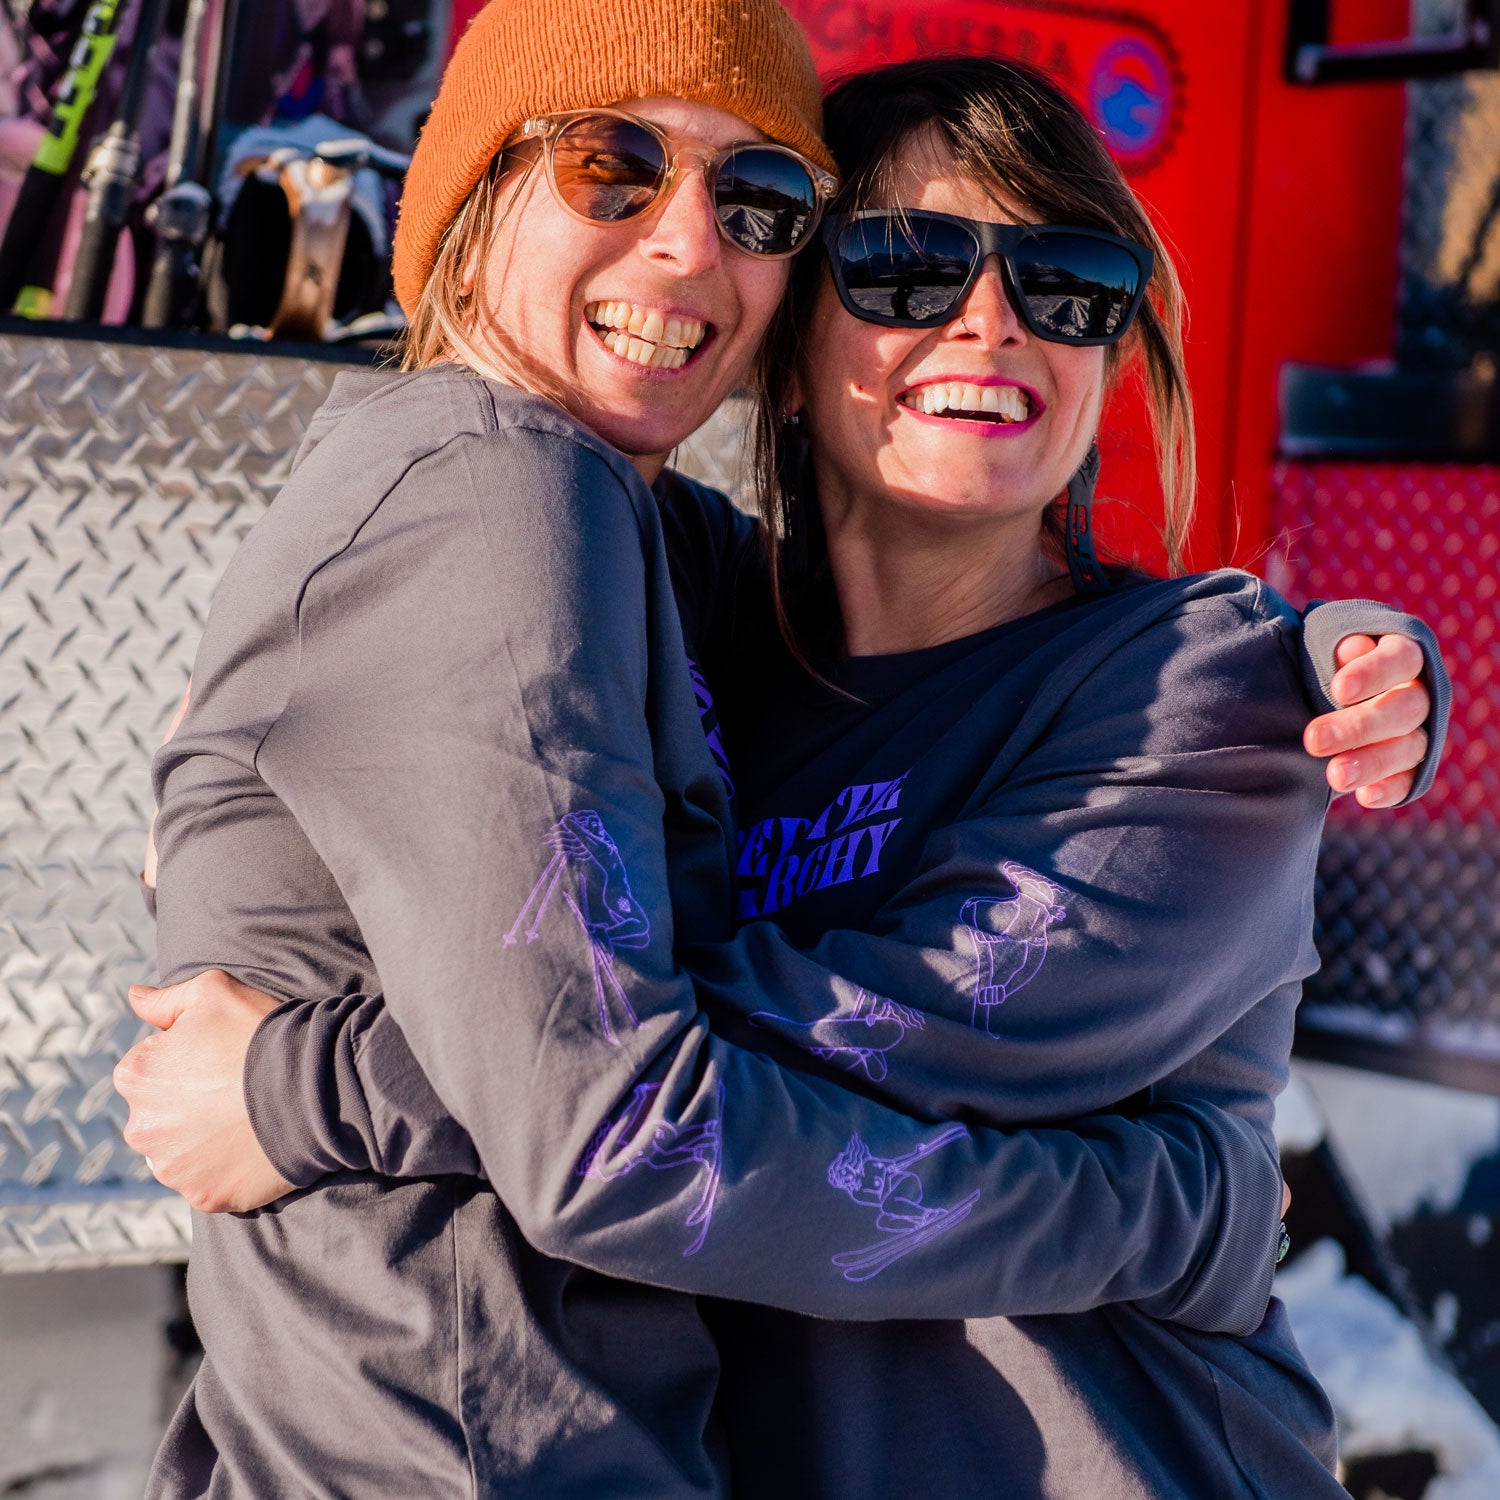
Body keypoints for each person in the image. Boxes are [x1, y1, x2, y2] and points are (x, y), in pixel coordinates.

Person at [116, 8, 1444, 1497]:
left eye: (1069, 286)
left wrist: (309, 1087)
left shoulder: (1201, 701)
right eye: (905, 269)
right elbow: (388, 659)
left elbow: (696, 1064)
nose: (991, 323)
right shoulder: (681, 607)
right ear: (790, 345)